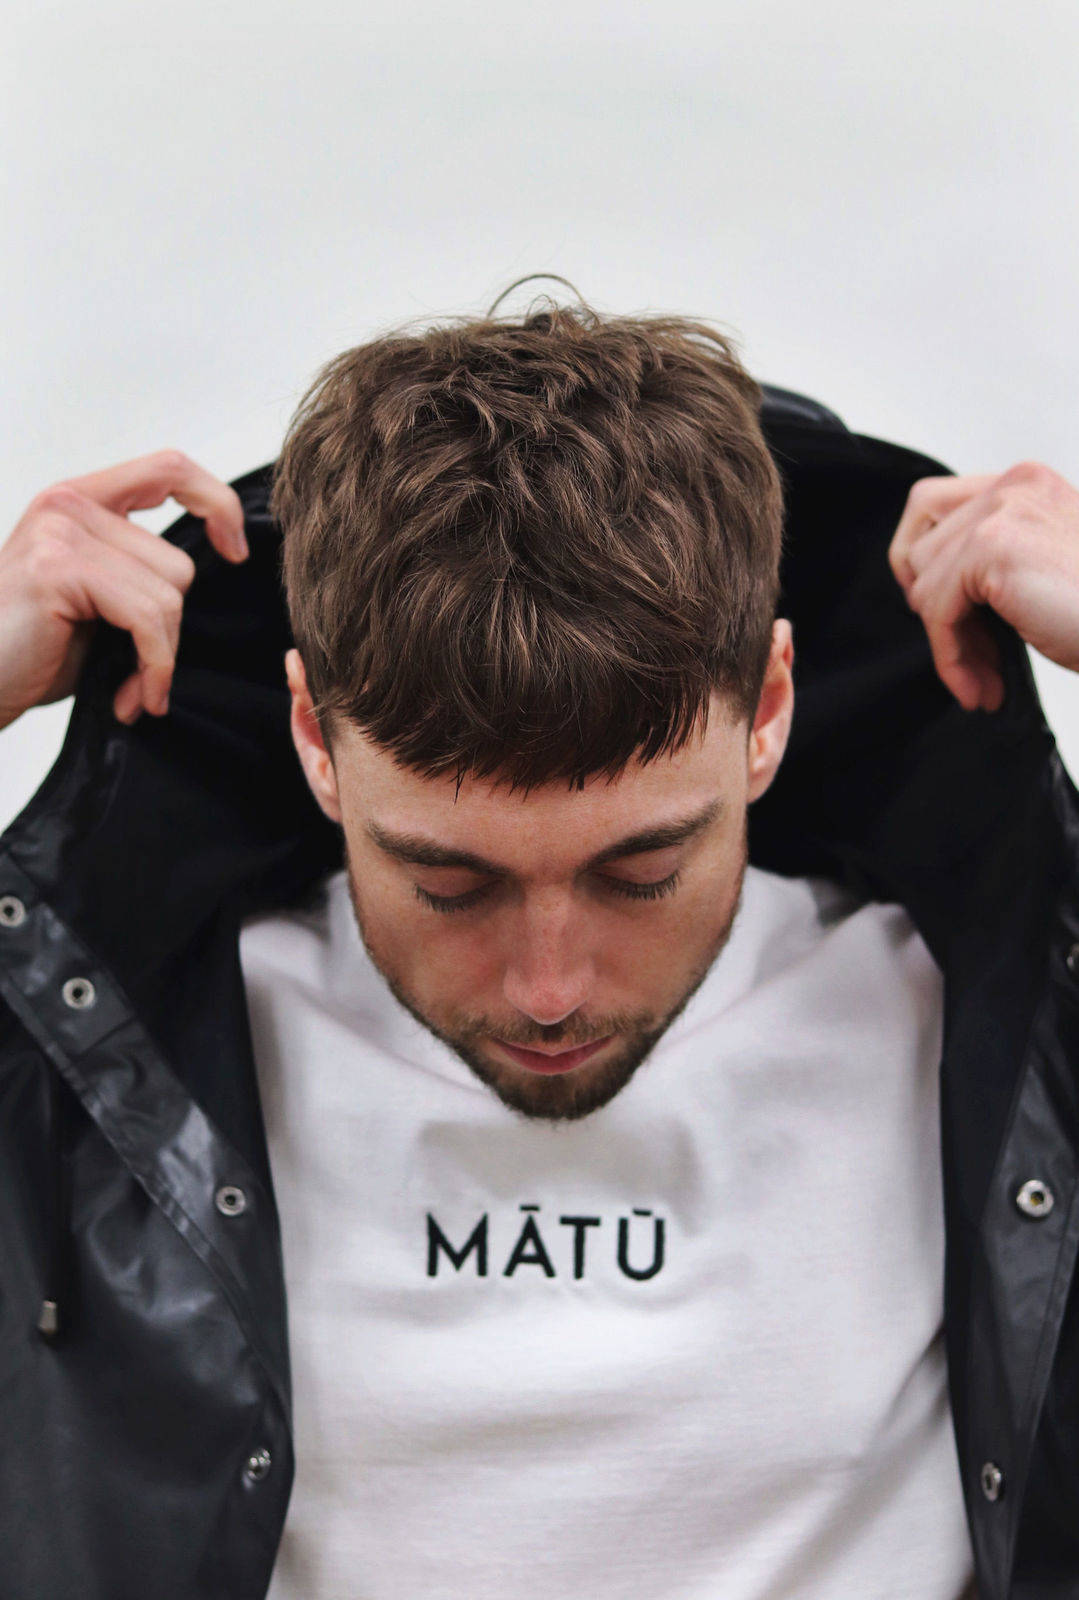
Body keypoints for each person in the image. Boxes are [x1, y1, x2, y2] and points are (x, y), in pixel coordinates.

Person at [1, 287, 1078, 1600]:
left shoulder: (995, 1004)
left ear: (768, 709)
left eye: (641, 873)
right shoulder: (90, 1037)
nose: (551, 990)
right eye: (449, 885)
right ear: (315, 738)